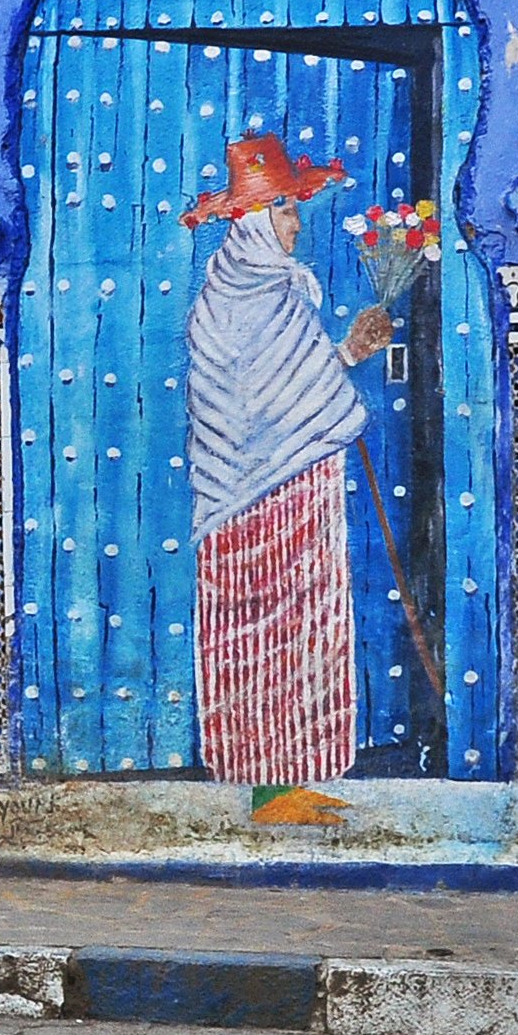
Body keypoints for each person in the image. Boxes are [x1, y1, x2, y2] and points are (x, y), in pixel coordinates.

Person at [181, 134, 394, 784]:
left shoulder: (262, 293)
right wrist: (335, 379)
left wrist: (347, 357)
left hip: (291, 492)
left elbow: (289, 387)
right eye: (284, 209)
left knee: (300, 639)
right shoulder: (246, 299)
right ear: (250, 219)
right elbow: (268, 399)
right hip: (258, 507)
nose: (297, 222)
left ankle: (298, 780)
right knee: (261, 641)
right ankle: (265, 783)